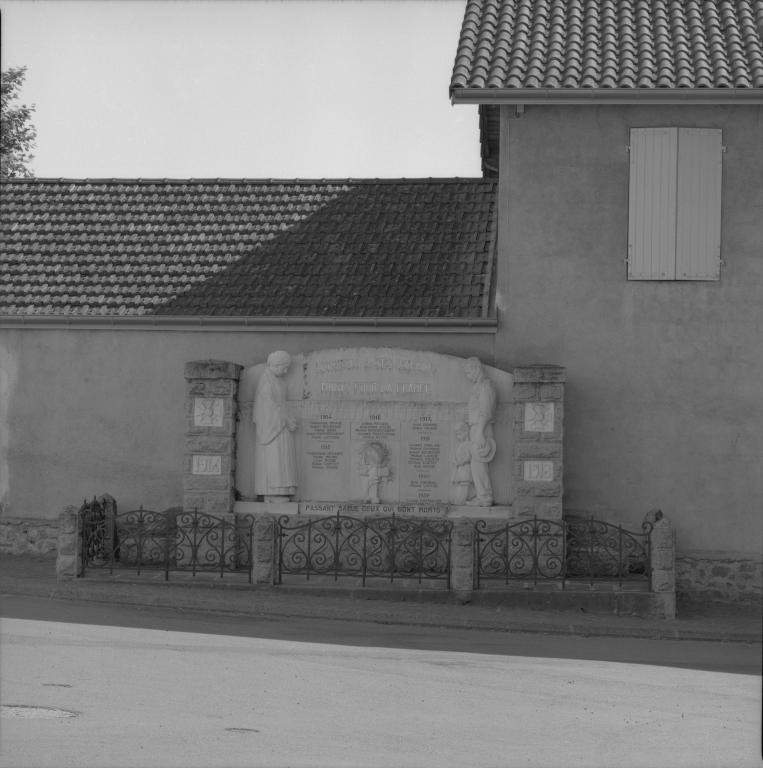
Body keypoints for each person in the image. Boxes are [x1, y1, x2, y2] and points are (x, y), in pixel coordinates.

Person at [254, 351, 298, 502]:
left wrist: (287, 419)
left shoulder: (277, 380)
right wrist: (285, 420)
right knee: (274, 459)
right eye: (284, 367)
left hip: (280, 426)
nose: (286, 371)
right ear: (277, 364)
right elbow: (268, 406)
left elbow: (280, 405)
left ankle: (279, 493)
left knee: (281, 459)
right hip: (272, 429)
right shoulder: (266, 379)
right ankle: (271, 494)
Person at [463, 357, 496, 506]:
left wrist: (480, 432)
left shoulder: (485, 385)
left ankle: (485, 497)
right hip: (476, 427)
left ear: (477, 369)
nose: (468, 377)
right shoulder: (478, 385)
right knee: (477, 464)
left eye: (469, 373)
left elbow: (486, 412)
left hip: (481, 428)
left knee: (480, 463)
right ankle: (481, 495)